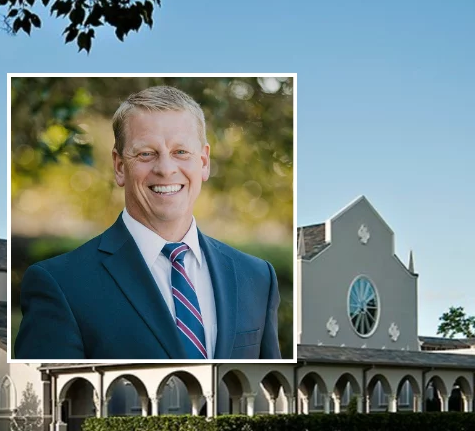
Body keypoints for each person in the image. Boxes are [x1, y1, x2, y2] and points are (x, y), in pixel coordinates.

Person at [14, 86, 281, 360]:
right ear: (119, 166)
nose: (165, 169)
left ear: (203, 162)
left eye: (180, 152)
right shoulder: (61, 284)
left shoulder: (257, 278)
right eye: (146, 154)